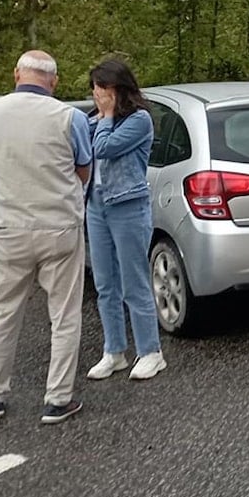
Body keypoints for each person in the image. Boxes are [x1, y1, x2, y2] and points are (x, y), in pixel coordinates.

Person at [0, 50, 92, 424]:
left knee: (1, 312)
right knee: (64, 314)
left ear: (16, 75)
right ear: (54, 82)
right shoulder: (70, 118)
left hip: (7, 228)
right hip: (58, 226)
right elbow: (83, 169)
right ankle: (58, 398)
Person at [83, 59, 165, 381]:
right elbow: (78, 141)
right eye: (94, 89)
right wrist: (99, 118)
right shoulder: (96, 120)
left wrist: (104, 117)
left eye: (102, 88)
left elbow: (104, 148)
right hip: (97, 204)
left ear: (118, 89)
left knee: (134, 282)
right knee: (105, 284)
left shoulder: (139, 120)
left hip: (128, 206)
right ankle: (114, 351)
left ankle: (150, 352)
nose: (96, 95)